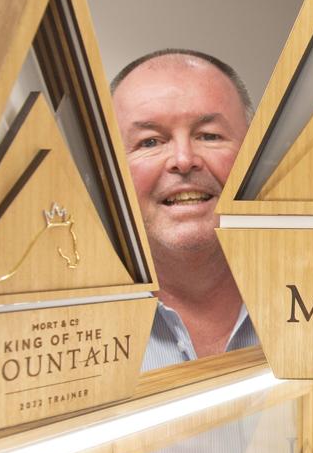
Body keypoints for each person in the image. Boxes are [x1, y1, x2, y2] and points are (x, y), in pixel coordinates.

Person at [110, 49, 259, 370]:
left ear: (256, 153)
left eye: (209, 136)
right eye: (150, 142)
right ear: (109, 169)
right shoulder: (63, 330)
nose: (183, 159)